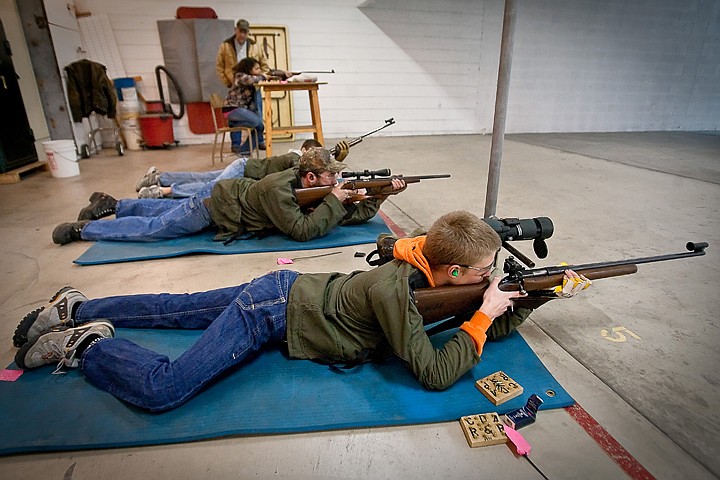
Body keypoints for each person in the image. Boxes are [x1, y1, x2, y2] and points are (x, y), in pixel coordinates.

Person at [13, 210, 591, 412]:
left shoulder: (426, 268)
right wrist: (487, 315)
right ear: (457, 272)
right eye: (487, 270)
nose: (493, 277)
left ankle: (76, 303)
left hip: (289, 289)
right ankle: (85, 343)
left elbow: (478, 312)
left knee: (178, 307)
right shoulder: (396, 289)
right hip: (273, 310)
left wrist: (534, 295)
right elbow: (437, 373)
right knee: (165, 389)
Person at [53, 147, 404, 244]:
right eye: (331, 179)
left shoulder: (307, 188)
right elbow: (302, 231)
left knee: (158, 211)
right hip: (213, 208)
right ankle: (82, 230)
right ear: (311, 176)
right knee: (153, 229)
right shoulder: (278, 189)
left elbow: (349, 215)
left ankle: (111, 205)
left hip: (225, 202)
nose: (335, 183)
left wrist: (381, 194)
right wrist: (336, 199)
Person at [135, 139, 348, 199]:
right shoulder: (296, 158)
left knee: (202, 178)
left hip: (243, 166)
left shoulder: (299, 156)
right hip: (243, 171)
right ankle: (162, 191)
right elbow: (301, 172)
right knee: (211, 188)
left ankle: (158, 177)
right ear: (305, 151)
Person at [216, 19, 271, 88]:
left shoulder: (255, 46)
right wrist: (228, 83)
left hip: (253, 85)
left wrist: (260, 81)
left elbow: (264, 65)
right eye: (240, 31)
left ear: (248, 32)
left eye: (245, 32)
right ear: (236, 30)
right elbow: (219, 67)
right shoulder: (225, 46)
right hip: (234, 83)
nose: (242, 34)